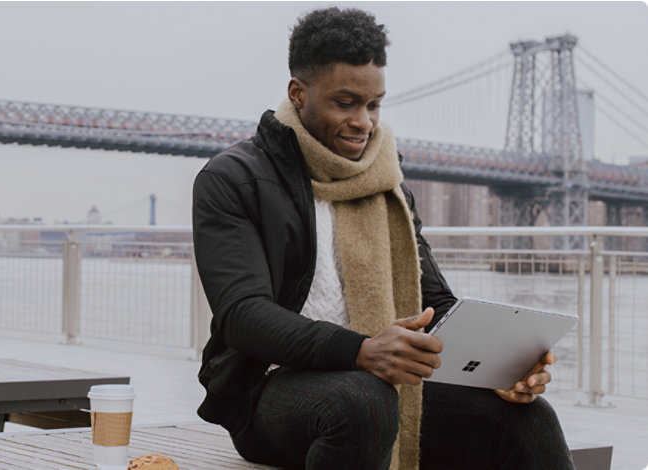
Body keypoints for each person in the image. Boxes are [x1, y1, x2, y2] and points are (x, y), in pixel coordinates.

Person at [191, 7, 574, 470]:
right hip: (268, 391)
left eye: (374, 105)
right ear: (299, 93)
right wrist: (361, 350)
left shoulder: (386, 182)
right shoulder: (234, 179)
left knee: (524, 417)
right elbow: (243, 315)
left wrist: (498, 368)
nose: (364, 123)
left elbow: (434, 305)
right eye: (345, 103)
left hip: (384, 382)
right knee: (362, 399)